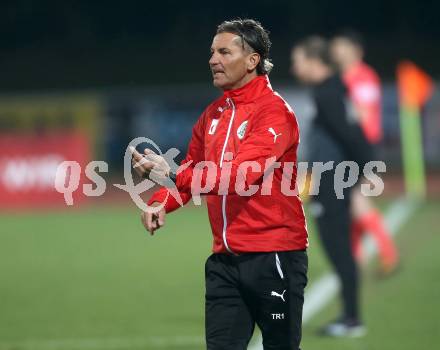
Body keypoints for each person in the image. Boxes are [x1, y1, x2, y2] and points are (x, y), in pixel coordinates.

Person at [131, 19, 308, 350]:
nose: (213, 59)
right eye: (212, 52)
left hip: (274, 259)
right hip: (225, 262)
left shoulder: (274, 113)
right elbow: (191, 172)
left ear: (253, 60)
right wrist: (161, 202)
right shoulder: (213, 114)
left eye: (224, 52)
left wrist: (168, 171)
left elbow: (237, 178)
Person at [291, 36, 372, 337]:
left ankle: (351, 319)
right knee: (338, 249)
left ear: (314, 62)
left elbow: (352, 135)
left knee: (339, 249)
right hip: (331, 178)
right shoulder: (333, 88)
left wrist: (362, 172)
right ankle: (350, 317)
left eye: (298, 60)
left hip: (332, 180)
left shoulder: (327, 93)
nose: (294, 66)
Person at [330, 31, 399, 274]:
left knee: (357, 202)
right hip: (349, 149)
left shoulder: (363, 77)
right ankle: (356, 258)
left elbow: (364, 116)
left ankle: (388, 253)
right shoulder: (341, 77)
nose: (336, 51)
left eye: (341, 46)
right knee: (349, 204)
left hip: (360, 149)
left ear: (355, 51)